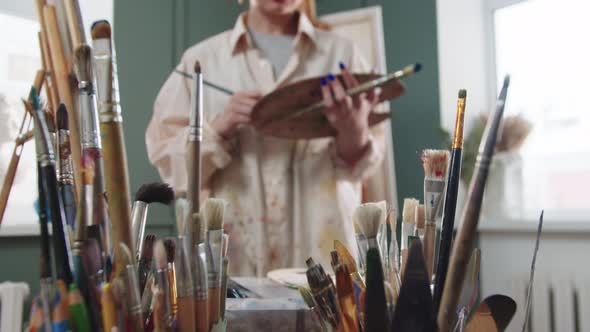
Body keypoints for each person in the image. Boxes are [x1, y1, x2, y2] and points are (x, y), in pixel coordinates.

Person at [146, 0, 387, 277]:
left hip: (324, 259)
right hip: (231, 264)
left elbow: (364, 168)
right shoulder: (201, 61)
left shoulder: (342, 54)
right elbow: (170, 168)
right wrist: (219, 128)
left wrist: (353, 130)